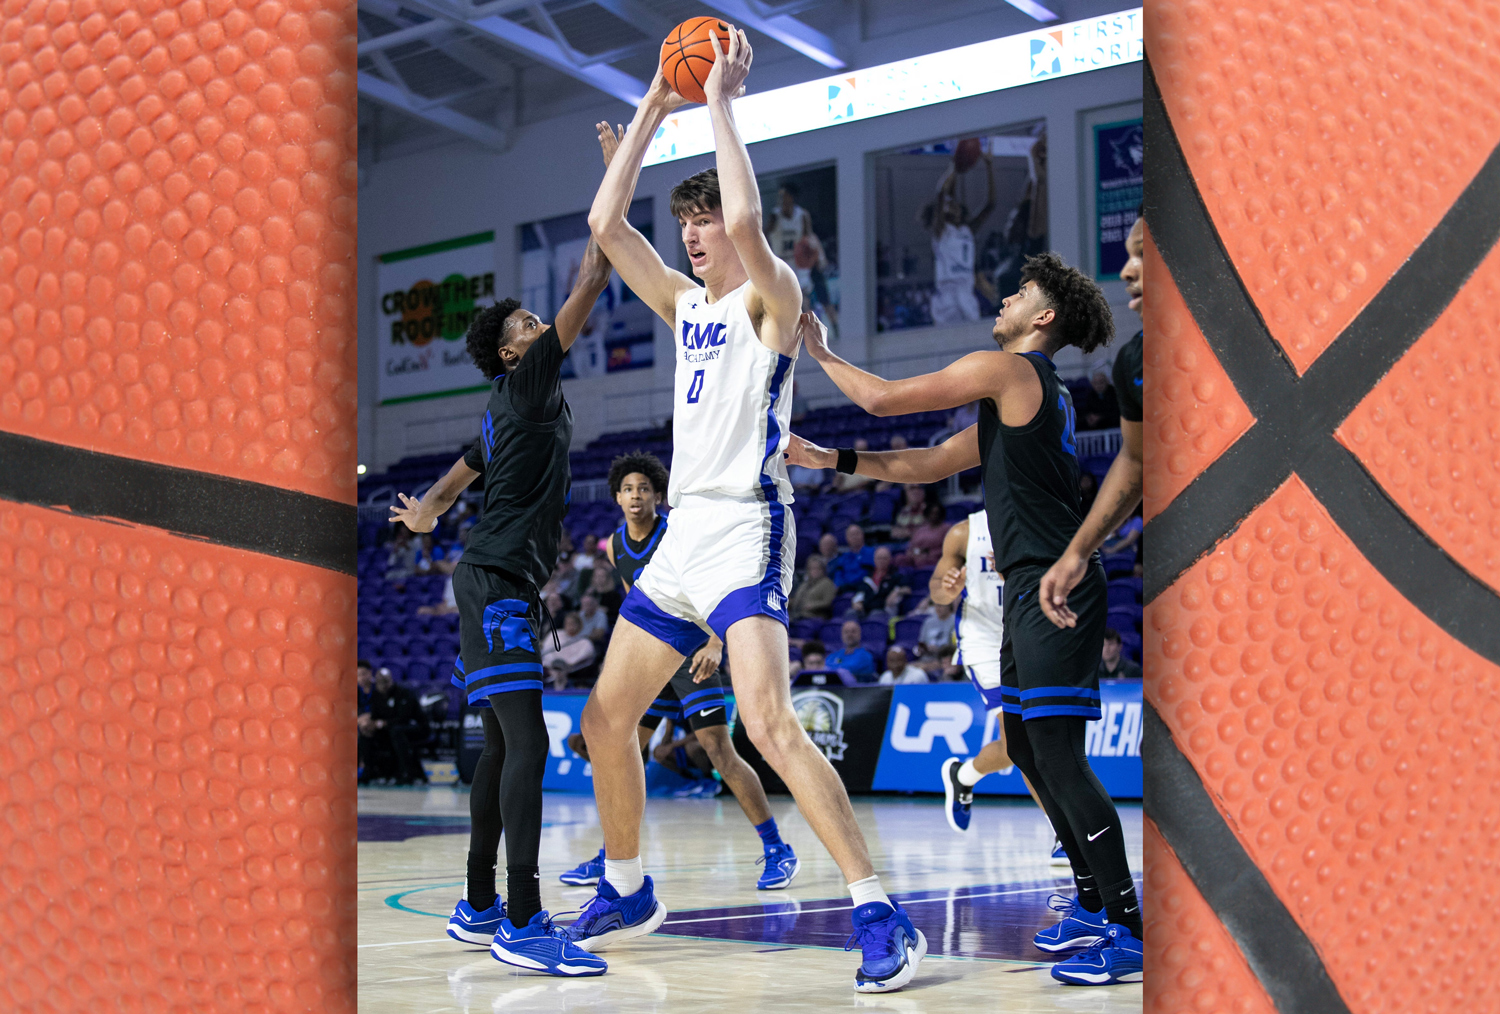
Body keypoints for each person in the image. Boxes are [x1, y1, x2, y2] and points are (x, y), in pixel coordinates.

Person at [579, 31, 926, 993]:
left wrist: (721, 106)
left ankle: (876, 909)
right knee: (606, 721)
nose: (696, 236)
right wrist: (654, 102)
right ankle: (626, 884)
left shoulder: (775, 298)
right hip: (683, 534)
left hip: (748, 528)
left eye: (705, 223)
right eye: (686, 226)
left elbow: (747, 215)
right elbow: (608, 229)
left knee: (769, 724)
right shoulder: (688, 306)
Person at [784, 250, 1141, 984]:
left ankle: (1129, 925)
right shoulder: (1021, 395)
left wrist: (818, 350)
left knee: (1060, 758)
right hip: (1025, 587)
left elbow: (885, 400)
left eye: (1019, 293)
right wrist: (833, 459)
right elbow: (926, 464)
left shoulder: (1010, 370)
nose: (1005, 299)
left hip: (1053, 581)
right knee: (1035, 754)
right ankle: (1087, 905)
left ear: (1042, 317)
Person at [386, 233, 614, 976]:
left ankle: (479, 902)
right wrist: (615, 196)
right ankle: (521, 919)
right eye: (522, 323)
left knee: (498, 745)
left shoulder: (500, 405)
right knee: (529, 743)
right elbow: (589, 277)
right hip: (498, 584)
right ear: (512, 353)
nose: (535, 322)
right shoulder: (531, 380)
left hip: (492, 579)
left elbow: (450, 487)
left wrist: (421, 516)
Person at [560, 451, 799, 892]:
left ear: (658, 496)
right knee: (617, 752)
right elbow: (636, 602)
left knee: (720, 753)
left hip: (692, 652)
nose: (636, 496)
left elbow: (714, 584)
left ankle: (777, 848)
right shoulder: (615, 546)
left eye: (645, 488)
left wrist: (715, 641)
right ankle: (611, 856)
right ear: (617, 497)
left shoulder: (676, 531)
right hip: (653, 654)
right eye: (629, 489)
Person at [928, 511, 1063, 865]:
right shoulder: (964, 532)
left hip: (1032, 635)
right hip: (985, 641)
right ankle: (1062, 832)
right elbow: (937, 592)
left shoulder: (1043, 516)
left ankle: (963, 774)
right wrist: (947, 589)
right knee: (1025, 741)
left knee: (1021, 744)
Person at [922, 149, 995, 324]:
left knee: (973, 348)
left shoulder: (967, 229)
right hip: (946, 296)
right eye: (947, 204)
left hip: (967, 293)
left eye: (953, 203)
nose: (950, 205)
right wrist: (954, 166)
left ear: (961, 209)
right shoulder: (941, 229)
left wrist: (989, 165)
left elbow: (991, 204)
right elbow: (941, 192)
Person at [365, 666, 429, 785]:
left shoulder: (403, 693)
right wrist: (371, 724)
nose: (383, 686)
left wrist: (384, 723)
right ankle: (369, 773)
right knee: (366, 734)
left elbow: (404, 718)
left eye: (385, 682)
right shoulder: (376, 695)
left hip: (417, 728)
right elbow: (375, 715)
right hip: (390, 729)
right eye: (380, 683)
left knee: (396, 732)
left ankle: (406, 773)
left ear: (391, 680)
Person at [896, 500, 951, 569]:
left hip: (933, 559)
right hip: (916, 555)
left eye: (936, 513)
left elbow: (947, 549)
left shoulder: (946, 528)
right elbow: (911, 546)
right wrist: (912, 554)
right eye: (931, 513)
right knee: (899, 559)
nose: (933, 516)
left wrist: (928, 555)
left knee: (922, 561)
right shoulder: (921, 529)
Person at [788, 554, 837, 621]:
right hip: (797, 615)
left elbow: (828, 602)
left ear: (823, 569)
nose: (815, 571)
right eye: (812, 568)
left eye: (818, 568)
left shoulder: (827, 583)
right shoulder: (804, 584)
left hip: (814, 617)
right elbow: (796, 600)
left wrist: (813, 605)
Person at [829, 523, 874, 592]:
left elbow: (867, 574)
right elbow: (838, 576)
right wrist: (841, 586)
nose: (854, 537)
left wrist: (848, 585)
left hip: (862, 589)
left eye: (857, 534)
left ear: (862, 535)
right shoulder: (843, 557)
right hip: (844, 590)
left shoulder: (871, 552)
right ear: (847, 538)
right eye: (851, 535)